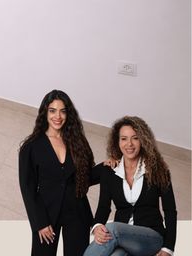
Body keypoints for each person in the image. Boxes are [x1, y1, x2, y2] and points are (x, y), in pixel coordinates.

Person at [19, 89, 99, 256]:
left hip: (77, 212)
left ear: (68, 114)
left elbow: (86, 177)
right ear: (45, 113)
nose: (58, 116)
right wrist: (40, 222)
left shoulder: (78, 142)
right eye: (52, 111)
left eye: (63, 111)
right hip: (46, 214)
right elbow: (28, 188)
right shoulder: (31, 147)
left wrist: (106, 167)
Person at [83, 116, 177, 256]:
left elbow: (170, 211)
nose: (129, 144)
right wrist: (97, 226)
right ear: (117, 142)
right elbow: (103, 207)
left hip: (151, 237)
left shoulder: (158, 170)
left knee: (113, 229)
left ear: (143, 141)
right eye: (124, 139)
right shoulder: (109, 171)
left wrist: (168, 248)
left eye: (135, 138)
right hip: (122, 240)